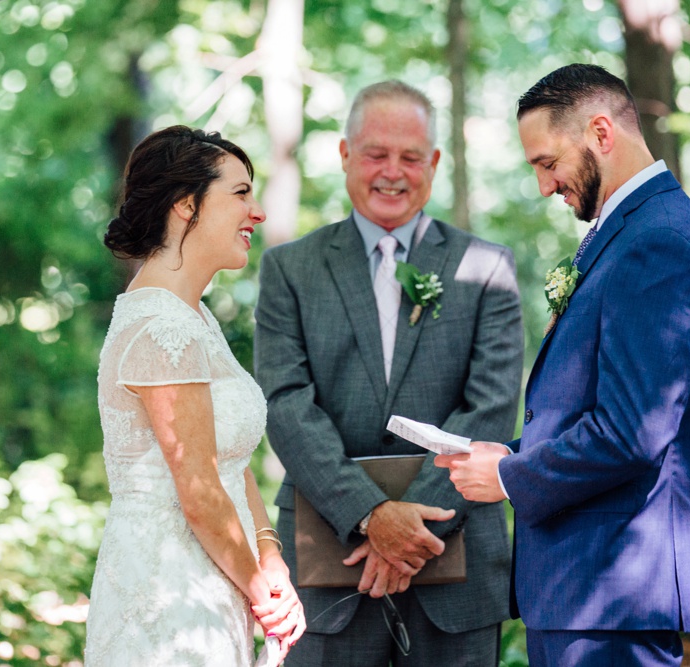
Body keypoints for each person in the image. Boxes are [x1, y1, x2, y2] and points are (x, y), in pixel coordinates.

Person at [435, 64, 690, 667]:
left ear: (601, 132)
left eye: (548, 163)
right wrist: (509, 455)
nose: (545, 186)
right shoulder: (631, 232)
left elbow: (632, 431)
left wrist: (511, 477)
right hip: (585, 589)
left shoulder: (659, 242)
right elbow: (594, 411)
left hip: (612, 588)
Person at [254, 81, 524, 666]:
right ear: (346, 154)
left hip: (456, 563)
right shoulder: (289, 269)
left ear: (433, 163)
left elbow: (492, 408)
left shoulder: (487, 267)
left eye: (410, 157)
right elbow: (285, 404)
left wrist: (411, 527)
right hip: (327, 563)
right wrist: (370, 515)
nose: (392, 173)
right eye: (376, 154)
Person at [85, 125, 305, 666]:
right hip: (169, 592)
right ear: (186, 205)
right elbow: (200, 491)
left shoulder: (194, 317)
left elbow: (231, 464)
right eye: (240, 193)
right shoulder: (160, 326)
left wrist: (270, 555)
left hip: (216, 577)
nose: (257, 212)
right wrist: (264, 595)